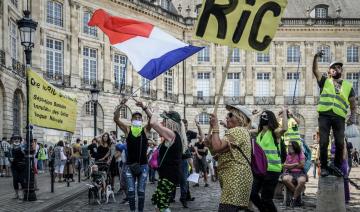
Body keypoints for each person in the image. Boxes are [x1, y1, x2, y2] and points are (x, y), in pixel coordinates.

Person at [312, 52, 358, 176]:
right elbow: (315, 70)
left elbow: (353, 103)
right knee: (323, 142)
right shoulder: (325, 81)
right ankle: (325, 166)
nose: (337, 69)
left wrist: (353, 116)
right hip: (325, 115)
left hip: (339, 117)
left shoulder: (348, 86)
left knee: (339, 142)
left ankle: (337, 166)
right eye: (334, 67)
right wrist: (315, 57)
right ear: (330, 71)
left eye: (339, 67)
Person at [207, 105, 254, 212]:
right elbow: (216, 152)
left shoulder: (238, 131)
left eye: (230, 115)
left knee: (226, 208)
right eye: (227, 115)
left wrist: (215, 127)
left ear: (240, 117)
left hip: (236, 178)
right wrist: (209, 145)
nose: (227, 117)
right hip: (236, 177)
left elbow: (217, 147)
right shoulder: (238, 132)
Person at [113, 98, 152, 212]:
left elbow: (152, 120)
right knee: (130, 191)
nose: (138, 119)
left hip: (143, 166)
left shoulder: (145, 130)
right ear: (131, 119)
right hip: (129, 166)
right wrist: (121, 105)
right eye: (135, 117)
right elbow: (116, 119)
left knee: (141, 191)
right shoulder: (128, 130)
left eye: (139, 118)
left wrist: (145, 107)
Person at [250, 108, 288, 212]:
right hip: (260, 169)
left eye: (266, 115)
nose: (263, 116)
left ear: (270, 118)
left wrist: (284, 112)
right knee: (252, 194)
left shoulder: (275, 132)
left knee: (266, 199)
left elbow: (284, 128)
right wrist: (253, 116)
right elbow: (246, 130)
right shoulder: (259, 132)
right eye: (263, 115)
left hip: (272, 170)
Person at [150, 110, 184, 212]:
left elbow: (153, 123)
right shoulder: (172, 135)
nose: (162, 122)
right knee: (158, 203)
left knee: (162, 205)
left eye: (165, 120)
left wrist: (153, 112)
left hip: (170, 175)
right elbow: (154, 123)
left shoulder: (172, 134)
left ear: (171, 122)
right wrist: (144, 108)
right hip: (166, 174)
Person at [282, 141, 307, 207]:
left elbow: (302, 165)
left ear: (295, 146)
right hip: (290, 172)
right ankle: (297, 196)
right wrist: (295, 164)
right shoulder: (288, 155)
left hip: (300, 172)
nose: (289, 147)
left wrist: (290, 165)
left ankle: (293, 199)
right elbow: (284, 165)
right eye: (289, 146)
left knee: (302, 181)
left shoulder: (300, 153)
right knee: (285, 179)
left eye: (291, 145)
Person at [8, 135, 26, 199]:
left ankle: (23, 194)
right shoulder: (10, 147)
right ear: (12, 140)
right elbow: (9, 155)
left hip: (22, 165)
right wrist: (10, 159)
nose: (16, 140)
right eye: (15, 139)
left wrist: (22, 150)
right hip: (14, 166)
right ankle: (16, 194)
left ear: (20, 140)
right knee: (15, 180)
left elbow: (25, 154)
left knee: (21, 180)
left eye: (18, 138)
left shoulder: (22, 146)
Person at [193, 120, 208, 188]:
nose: (199, 137)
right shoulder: (196, 143)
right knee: (196, 171)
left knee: (204, 170)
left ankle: (206, 182)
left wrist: (197, 150)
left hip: (203, 157)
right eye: (198, 136)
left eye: (200, 136)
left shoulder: (204, 143)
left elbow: (204, 150)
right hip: (197, 157)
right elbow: (195, 150)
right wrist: (197, 153)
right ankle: (197, 183)